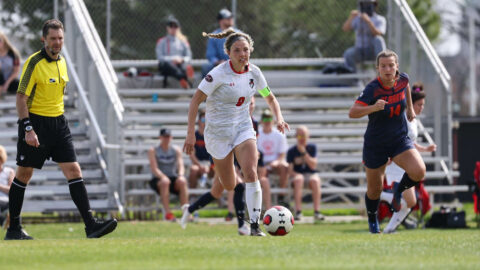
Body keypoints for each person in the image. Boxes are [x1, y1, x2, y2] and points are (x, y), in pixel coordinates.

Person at [5, 19, 117, 240]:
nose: (57, 43)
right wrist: (28, 128)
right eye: (53, 38)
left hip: (59, 124)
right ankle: (14, 229)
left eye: (60, 39)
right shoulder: (33, 62)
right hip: (35, 124)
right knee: (24, 174)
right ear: (43, 39)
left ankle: (91, 226)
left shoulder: (63, 62)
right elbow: (20, 97)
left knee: (74, 171)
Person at [183, 28, 289, 236]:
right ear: (228, 53)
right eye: (237, 50)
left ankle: (255, 226)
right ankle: (192, 208)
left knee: (251, 172)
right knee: (229, 185)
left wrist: (280, 117)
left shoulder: (254, 72)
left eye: (246, 50)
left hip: (243, 128)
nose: (242, 54)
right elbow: (195, 101)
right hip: (217, 134)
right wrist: (190, 134)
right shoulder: (218, 74)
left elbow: (269, 97)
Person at [348, 49, 426, 233]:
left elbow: (405, 86)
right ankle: (372, 219)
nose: (388, 69)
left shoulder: (403, 79)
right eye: (383, 66)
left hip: (399, 139)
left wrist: (409, 108)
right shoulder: (373, 88)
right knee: (374, 190)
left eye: (391, 65)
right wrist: (373, 107)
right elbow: (352, 113)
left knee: (418, 171)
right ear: (378, 69)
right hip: (376, 144)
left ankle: (398, 191)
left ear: (397, 67)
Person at [380, 83, 436, 233]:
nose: (421, 107)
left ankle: (389, 229)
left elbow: (410, 143)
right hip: (397, 162)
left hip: (407, 164)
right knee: (407, 200)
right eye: (419, 104)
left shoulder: (414, 120)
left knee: (410, 202)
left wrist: (425, 149)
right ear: (411, 103)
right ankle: (377, 195)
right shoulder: (400, 117)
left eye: (423, 104)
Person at [148, 128, 189, 221]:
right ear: (160, 137)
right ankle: (168, 213)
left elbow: (180, 165)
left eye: (168, 136)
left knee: (182, 181)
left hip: (172, 177)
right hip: (158, 179)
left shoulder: (176, 150)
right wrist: (163, 177)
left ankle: (186, 212)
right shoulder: (153, 150)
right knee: (165, 182)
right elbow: (154, 168)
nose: (167, 139)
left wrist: (181, 176)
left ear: (171, 137)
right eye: (165, 137)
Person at [287, 126, 324, 221]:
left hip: (310, 174)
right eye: (299, 136)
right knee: (299, 179)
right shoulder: (291, 151)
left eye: (303, 135)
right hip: (298, 176)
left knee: (315, 180)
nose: (301, 138)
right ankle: (298, 211)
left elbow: (313, 165)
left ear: (308, 136)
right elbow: (290, 171)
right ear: (296, 137)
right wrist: (297, 175)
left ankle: (317, 212)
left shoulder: (312, 148)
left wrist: (303, 152)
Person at [342, 0, 386, 73]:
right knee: (348, 54)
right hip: (360, 50)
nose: (366, 6)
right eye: (363, 4)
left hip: (373, 51)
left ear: (374, 5)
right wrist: (351, 17)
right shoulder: (357, 18)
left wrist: (368, 21)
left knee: (378, 39)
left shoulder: (380, 19)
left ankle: (383, 69)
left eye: (368, 4)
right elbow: (345, 28)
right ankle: (355, 77)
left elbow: (378, 33)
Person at [257, 109, 289, 207]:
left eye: (269, 118)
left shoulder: (279, 134)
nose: (267, 121)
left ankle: (281, 196)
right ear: (261, 121)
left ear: (273, 121)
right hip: (260, 164)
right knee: (262, 177)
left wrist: (276, 162)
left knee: (285, 167)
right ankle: (264, 205)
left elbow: (282, 154)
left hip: (275, 163)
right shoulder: (257, 134)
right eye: (265, 119)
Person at [156, 15, 194, 89]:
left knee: (185, 66)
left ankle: (184, 80)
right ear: (167, 28)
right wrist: (173, 59)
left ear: (178, 28)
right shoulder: (161, 41)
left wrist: (182, 60)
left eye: (175, 26)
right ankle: (184, 79)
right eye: (171, 26)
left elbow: (189, 57)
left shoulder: (183, 41)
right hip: (166, 67)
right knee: (166, 65)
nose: (173, 28)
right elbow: (160, 57)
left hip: (179, 65)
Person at [201, 8, 235, 77]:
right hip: (220, 65)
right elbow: (211, 55)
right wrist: (219, 62)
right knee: (206, 68)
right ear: (220, 21)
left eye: (231, 17)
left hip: (236, 63)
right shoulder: (214, 36)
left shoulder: (239, 34)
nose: (230, 19)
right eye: (227, 18)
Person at [188, 109, 214, 188]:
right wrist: (200, 166)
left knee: (219, 171)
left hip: (210, 164)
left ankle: (217, 197)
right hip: (198, 163)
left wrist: (209, 166)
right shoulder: (193, 136)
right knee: (194, 170)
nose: (205, 122)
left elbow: (215, 154)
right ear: (199, 121)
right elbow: (192, 155)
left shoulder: (212, 136)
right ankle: (193, 195)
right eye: (203, 119)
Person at [0, 31, 21, 97]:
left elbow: (16, 71)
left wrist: (7, 83)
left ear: (4, 41)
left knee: (19, 86)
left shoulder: (13, 54)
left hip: (10, 81)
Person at [0, 145, 14, 227]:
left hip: (5, 200)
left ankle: (4, 221)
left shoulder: (9, 171)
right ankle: (4, 221)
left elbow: (11, 189)